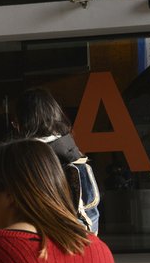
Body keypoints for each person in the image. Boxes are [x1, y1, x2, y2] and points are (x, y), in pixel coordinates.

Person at [13, 87, 100, 233]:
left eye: (16, 123)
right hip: (80, 242)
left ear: (24, 123)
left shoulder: (30, 162)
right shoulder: (75, 157)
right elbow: (91, 219)